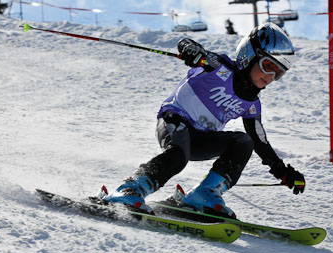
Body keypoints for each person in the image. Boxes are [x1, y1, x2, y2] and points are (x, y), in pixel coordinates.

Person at [104, 22, 305, 218]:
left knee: (244, 142)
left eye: (278, 73)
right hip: (175, 121)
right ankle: (129, 189)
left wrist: (283, 172)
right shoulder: (218, 67)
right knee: (177, 156)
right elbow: (186, 43)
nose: (271, 77)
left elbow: (260, 141)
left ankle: (203, 195)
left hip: (201, 139)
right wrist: (192, 51)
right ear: (249, 56)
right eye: (268, 66)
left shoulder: (252, 103)